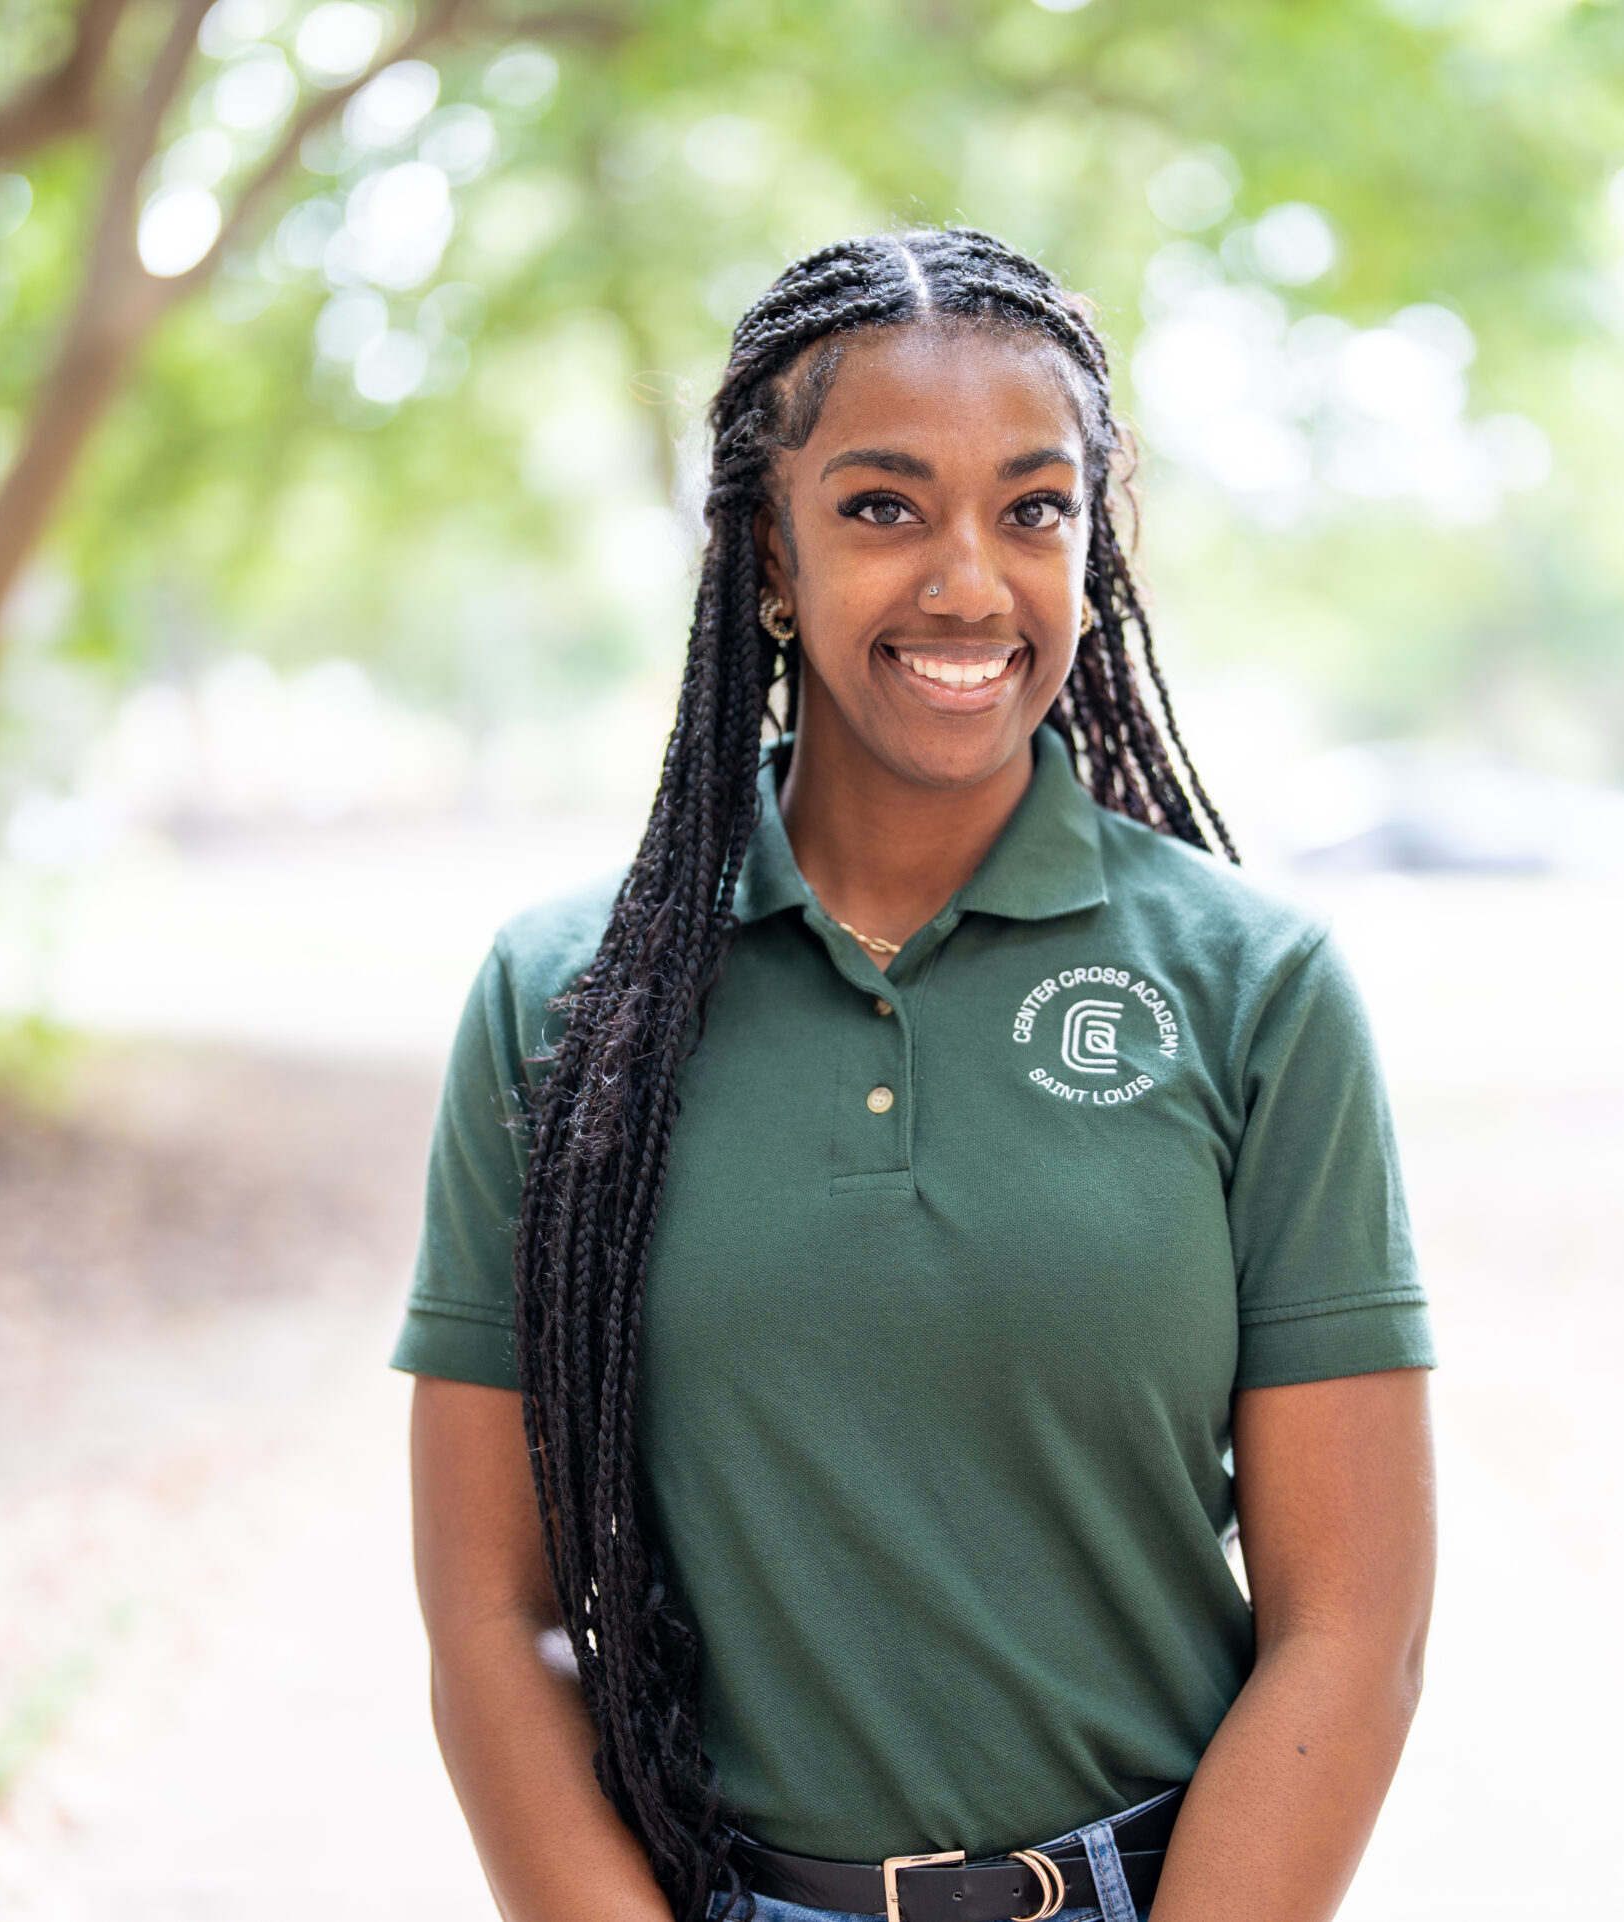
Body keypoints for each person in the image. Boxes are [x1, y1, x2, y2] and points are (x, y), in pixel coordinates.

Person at [396, 228, 1436, 1922]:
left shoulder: (1257, 991)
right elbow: (491, 1618)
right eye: (885, 505)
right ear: (770, 557)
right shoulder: (563, 1005)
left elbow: (1354, 1625)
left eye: (1034, 509)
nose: (969, 581)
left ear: (1096, 551)